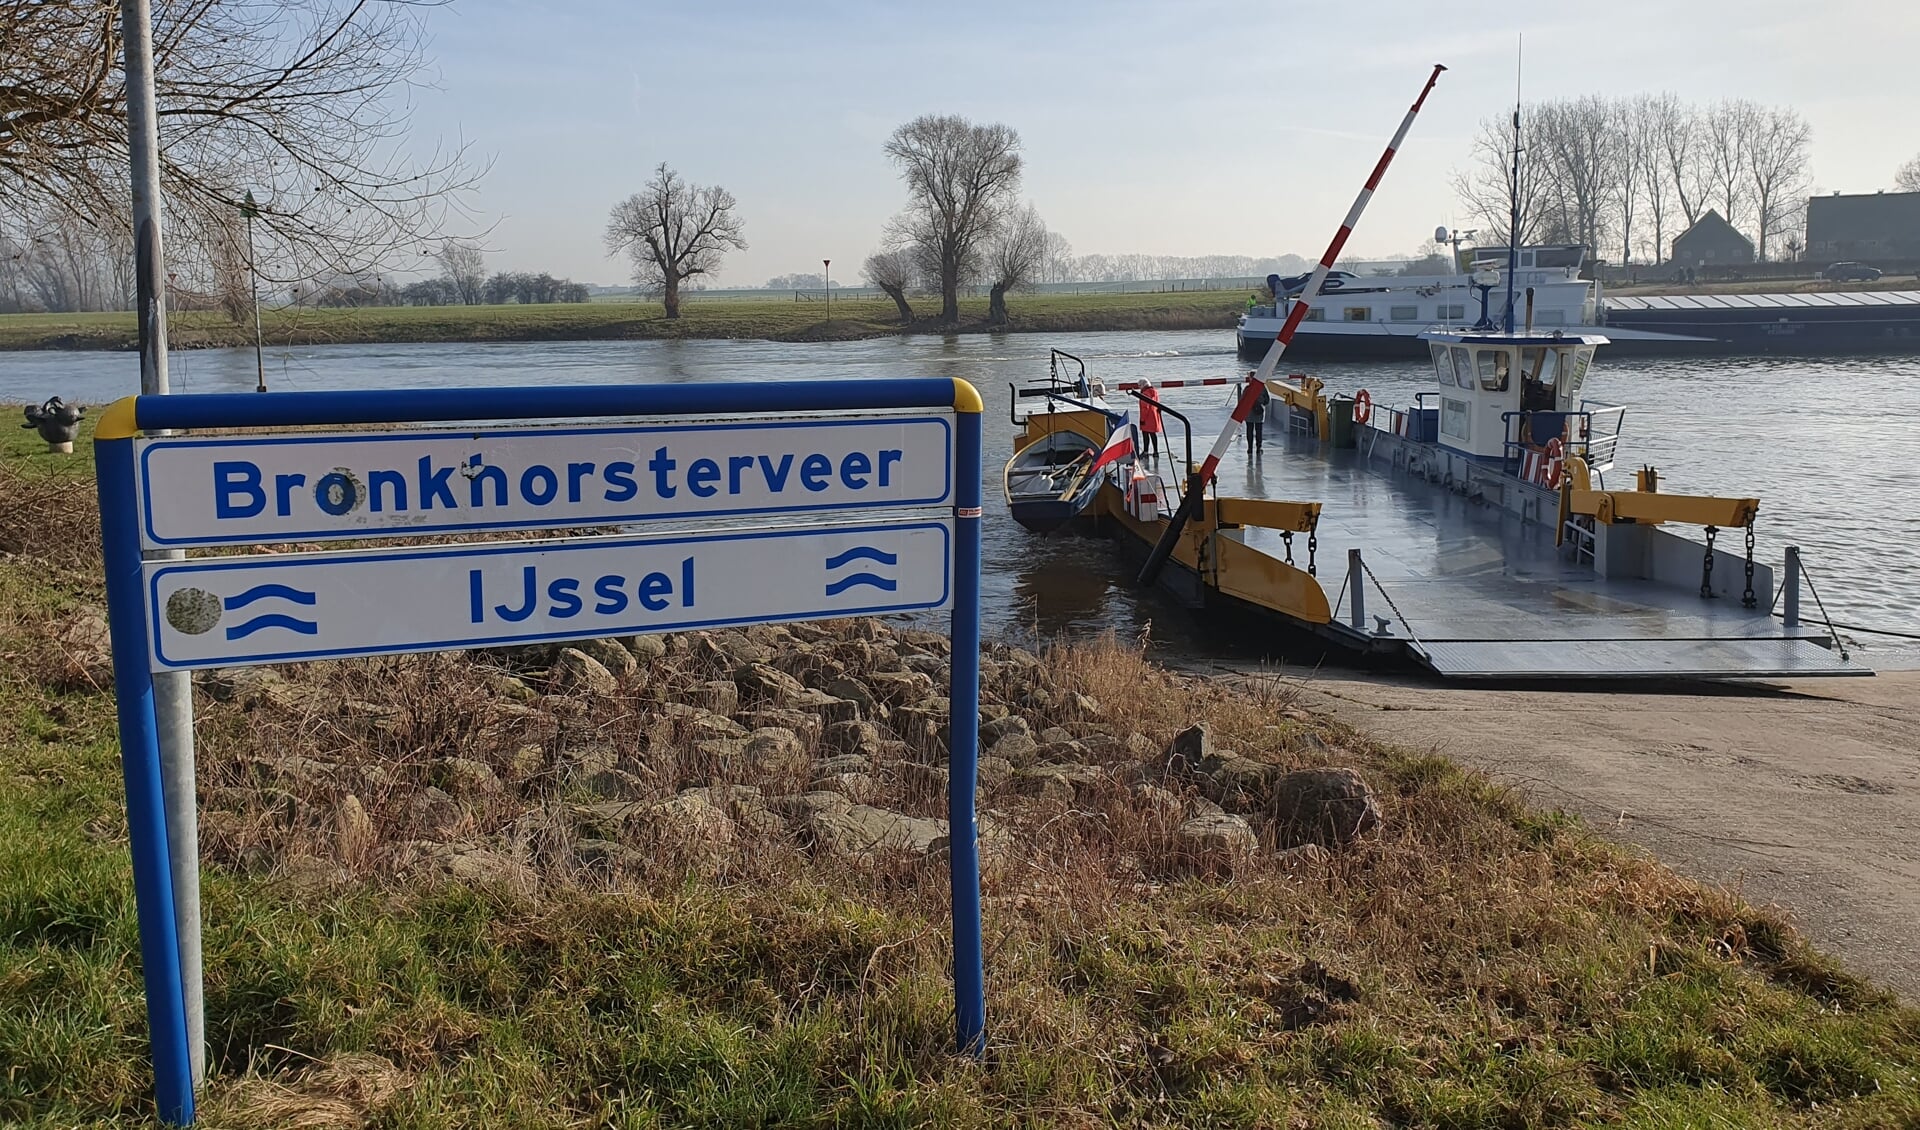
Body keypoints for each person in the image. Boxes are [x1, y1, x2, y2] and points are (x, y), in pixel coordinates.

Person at [1243, 371, 1270, 451]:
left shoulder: (1247, 388)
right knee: (1259, 430)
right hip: (1259, 412)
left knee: (1249, 430)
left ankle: (1250, 448)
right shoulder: (1262, 388)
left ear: (1250, 378)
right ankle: (1259, 447)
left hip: (1249, 413)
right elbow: (1267, 400)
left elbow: (1242, 400)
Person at [1138, 381, 1164, 459]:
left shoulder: (1144, 394)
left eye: (1139, 385)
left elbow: (1144, 408)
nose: (1139, 387)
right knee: (1153, 435)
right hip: (1154, 416)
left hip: (1147, 418)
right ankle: (1156, 451)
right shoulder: (1155, 392)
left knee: (1145, 435)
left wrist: (1142, 419)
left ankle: (1146, 451)